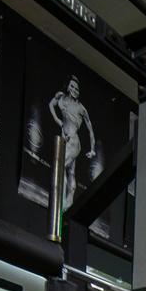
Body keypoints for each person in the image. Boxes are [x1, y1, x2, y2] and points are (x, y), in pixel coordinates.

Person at [47, 76, 98, 211]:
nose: (74, 90)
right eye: (72, 87)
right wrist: (57, 120)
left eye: (77, 89)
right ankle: (69, 203)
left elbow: (90, 130)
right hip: (64, 139)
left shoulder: (81, 109)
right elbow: (51, 104)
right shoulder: (61, 97)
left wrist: (92, 149)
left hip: (73, 142)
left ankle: (62, 202)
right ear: (68, 87)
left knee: (61, 167)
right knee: (70, 171)